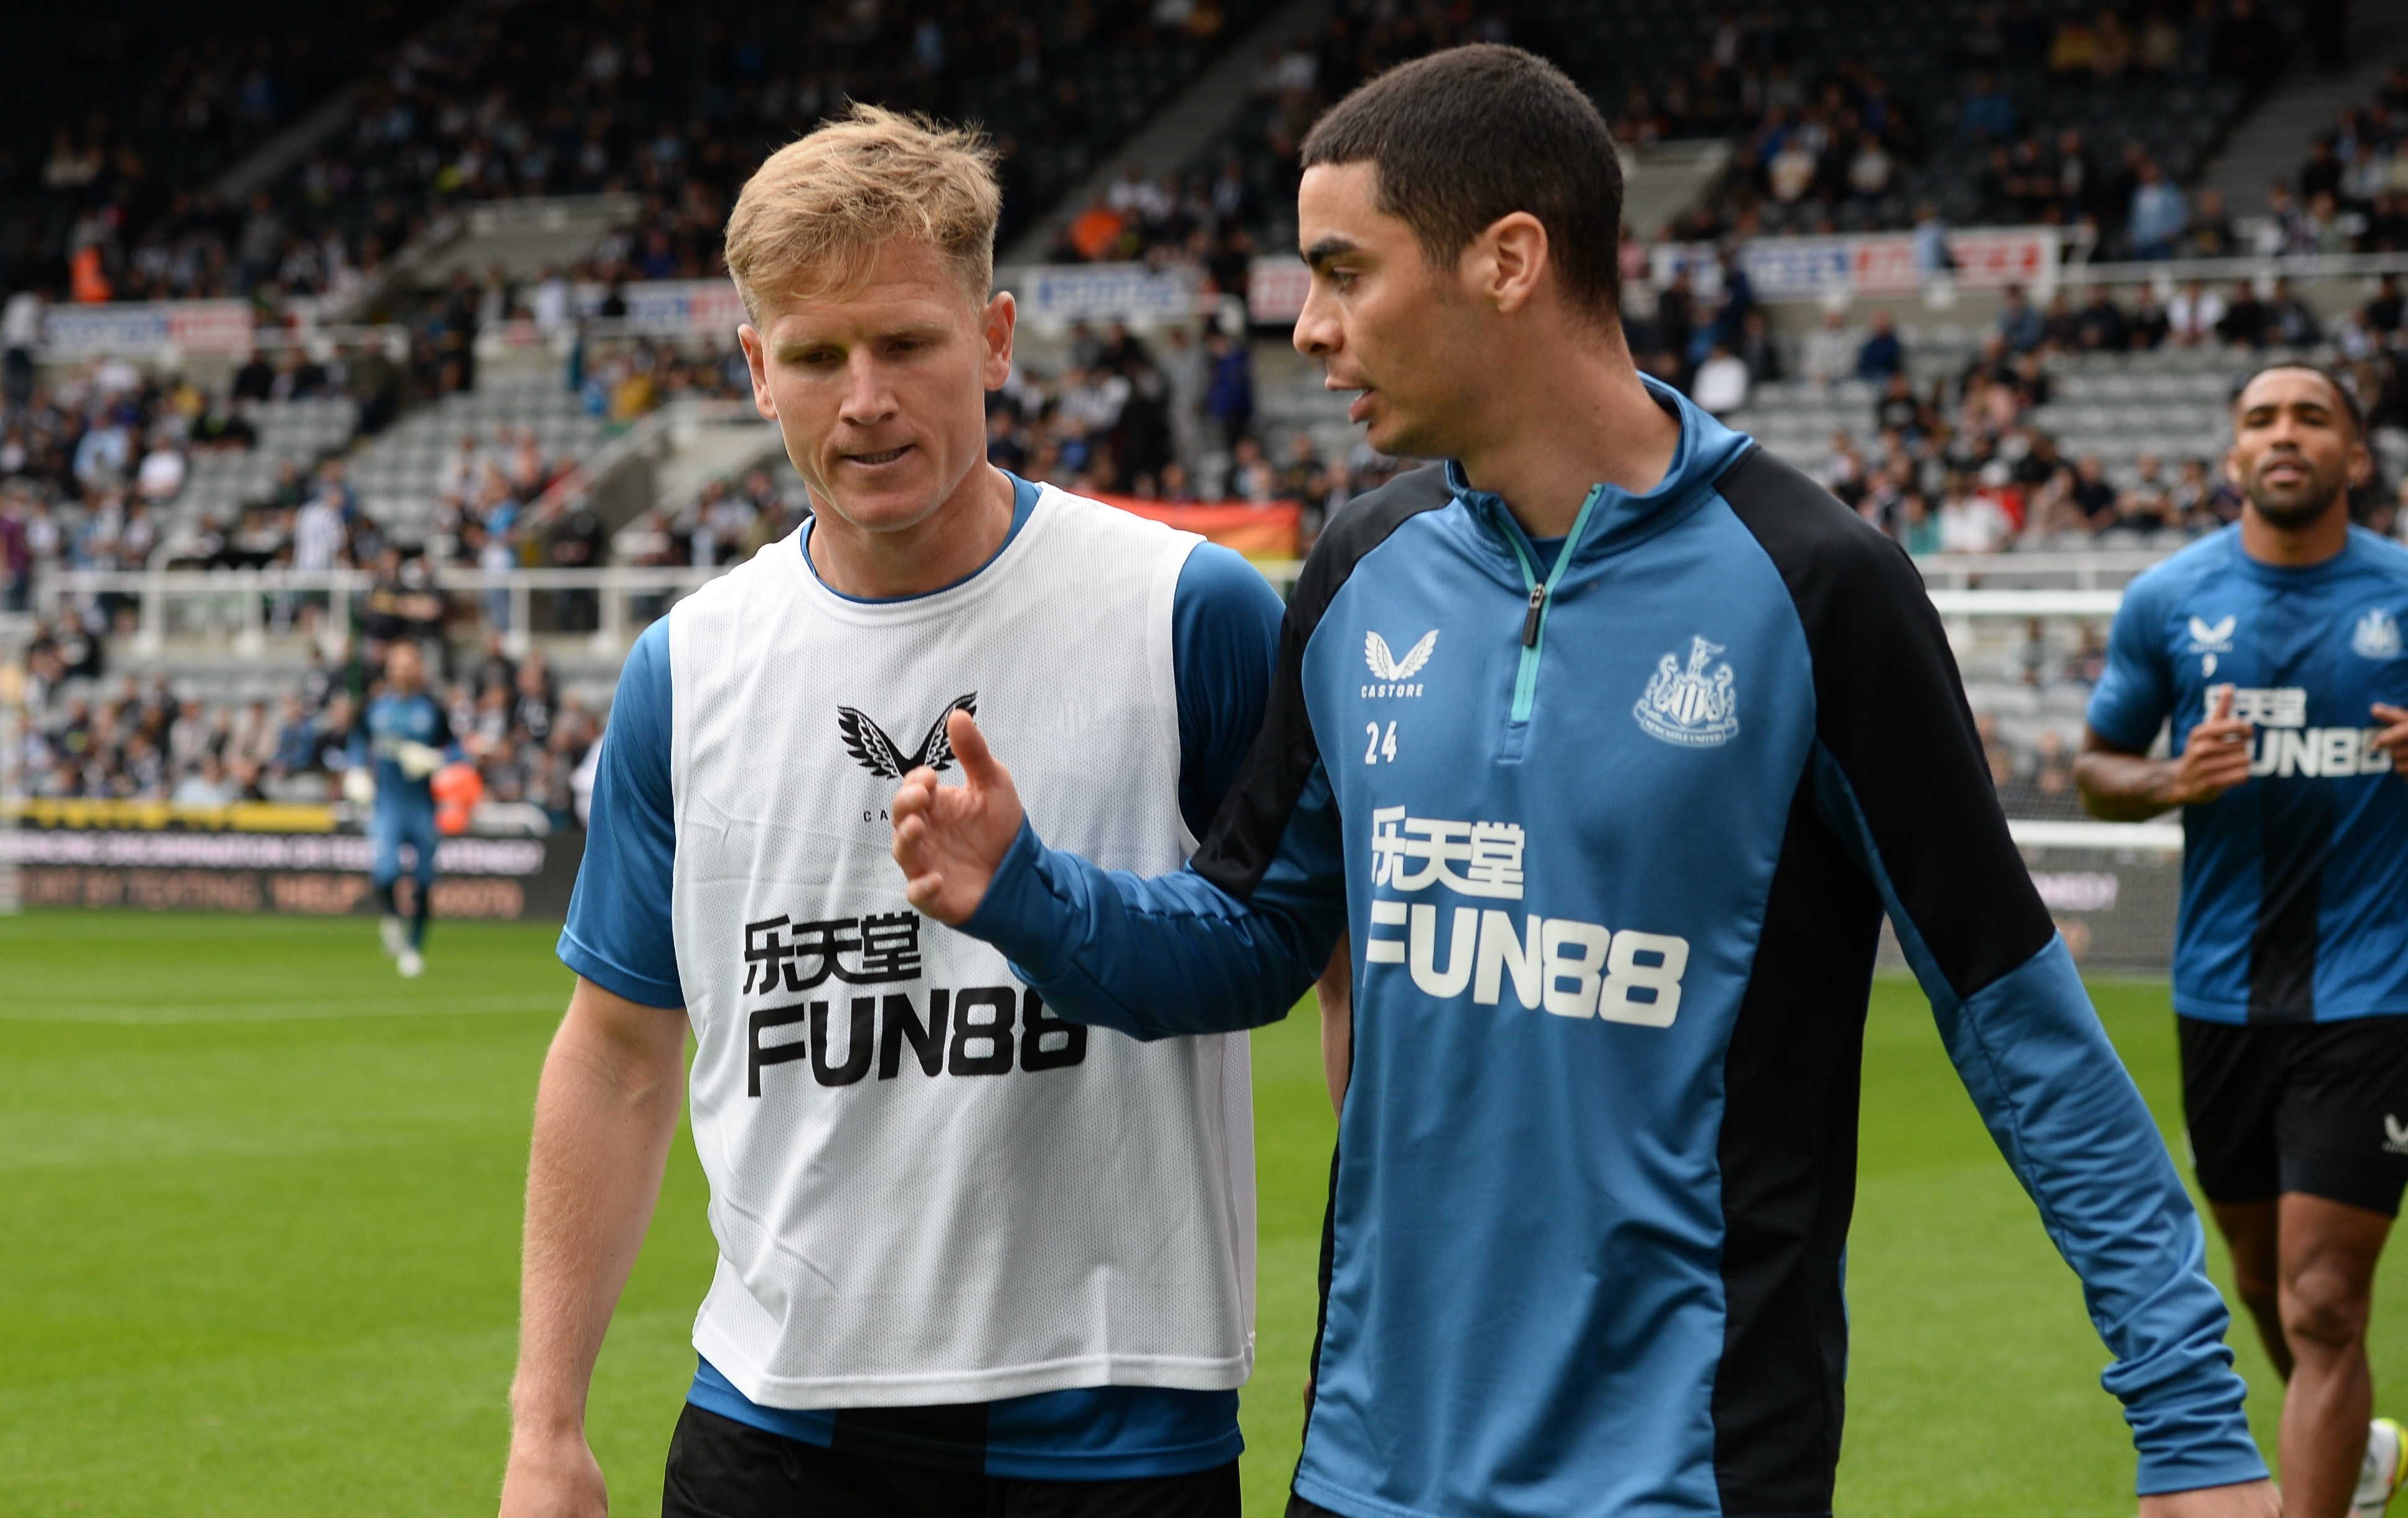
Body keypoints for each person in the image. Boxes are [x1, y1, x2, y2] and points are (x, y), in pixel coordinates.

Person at [890, 45, 2274, 1518]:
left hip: (1684, 1471)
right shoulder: (1359, 571)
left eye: (1345, 271)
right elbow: (1245, 942)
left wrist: (2191, 1417)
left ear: (1508, 260)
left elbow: (2016, 1021)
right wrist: (1023, 891)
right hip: (1367, 1467)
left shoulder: (1818, 590)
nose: (1308, 329)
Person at [498, 105, 1286, 1518]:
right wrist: (544, 1426)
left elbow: (1309, 965)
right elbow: (615, 1055)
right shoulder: (686, 669)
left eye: (907, 343)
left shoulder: (1189, 614)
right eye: (814, 354)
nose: (864, 397)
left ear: (991, 339)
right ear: (756, 368)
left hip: (1112, 1419)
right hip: (776, 1420)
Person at [2076, 362, 2408, 1518]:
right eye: (2259, 419)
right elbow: (2093, 767)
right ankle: (2361, 1456)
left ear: (2353, 459)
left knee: (2323, 1298)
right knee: (2264, 1281)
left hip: (2374, 988)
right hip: (2217, 990)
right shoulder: (2167, 599)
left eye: (2310, 417)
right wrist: (2171, 775)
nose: (2283, 434)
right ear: (2228, 460)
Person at [344, 639, 456, 978]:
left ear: (419, 668)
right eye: (397, 664)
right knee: (386, 873)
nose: (403, 670)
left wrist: (436, 760)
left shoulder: (433, 710)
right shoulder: (375, 707)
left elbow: (457, 750)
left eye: (410, 664)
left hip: (421, 806)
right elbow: (356, 741)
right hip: (387, 807)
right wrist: (356, 771)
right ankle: (393, 917)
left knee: (423, 880)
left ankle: (413, 947)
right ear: (389, 669)